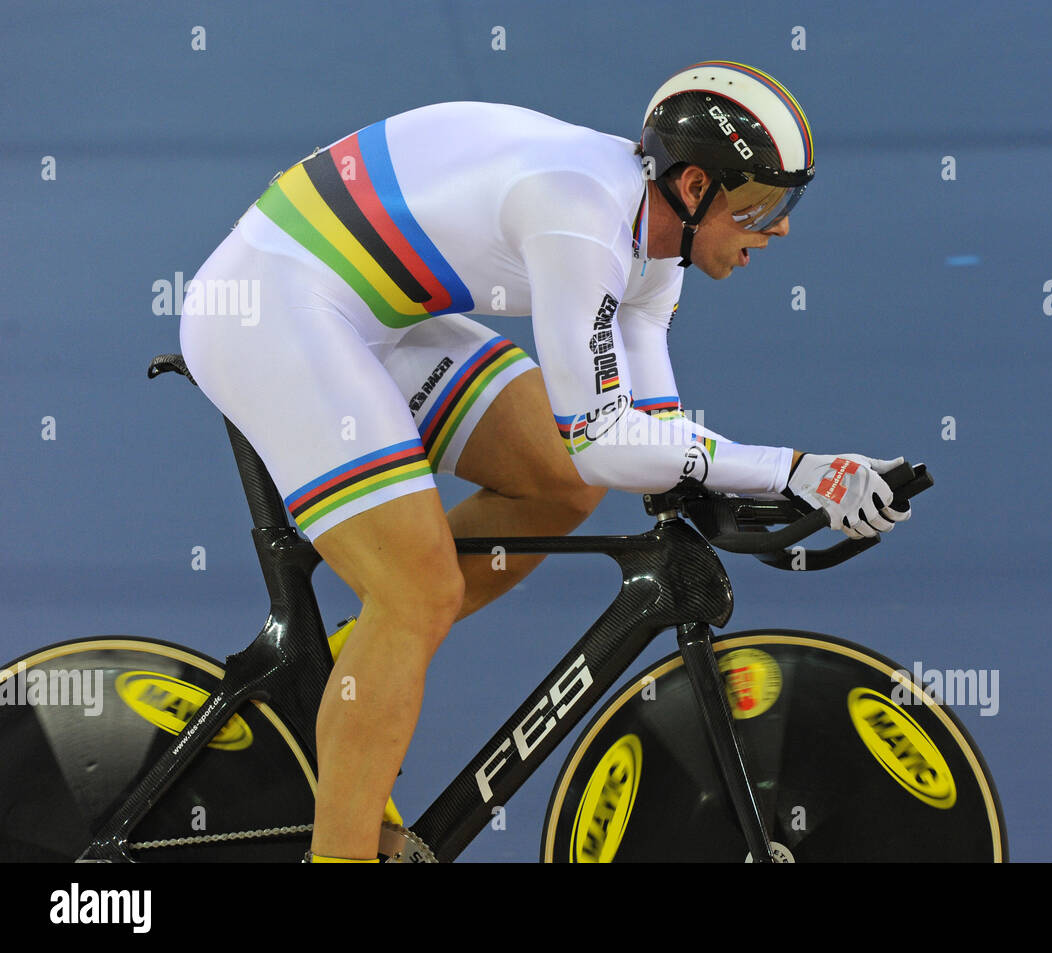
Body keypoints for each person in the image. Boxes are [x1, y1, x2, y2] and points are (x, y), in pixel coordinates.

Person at [177, 60, 911, 863]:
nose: (777, 227)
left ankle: (361, 660)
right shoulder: (581, 219)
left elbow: (650, 437)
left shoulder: (655, 245)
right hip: (273, 302)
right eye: (760, 202)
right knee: (418, 590)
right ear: (696, 186)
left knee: (557, 483)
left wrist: (778, 478)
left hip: (371, 307)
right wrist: (793, 468)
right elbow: (601, 436)